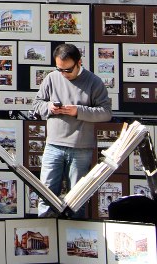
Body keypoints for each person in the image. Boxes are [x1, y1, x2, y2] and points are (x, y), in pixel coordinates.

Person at [31, 42, 112, 218]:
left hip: (80, 148)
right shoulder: (52, 78)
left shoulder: (94, 82)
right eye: (59, 69)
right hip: (53, 145)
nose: (63, 74)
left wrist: (78, 111)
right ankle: (47, 237)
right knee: (46, 196)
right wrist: (50, 107)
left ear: (79, 63)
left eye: (68, 70)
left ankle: (71, 238)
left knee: (77, 200)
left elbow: (106, 113)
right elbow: (37, 104)